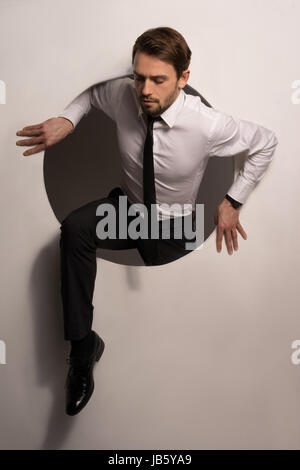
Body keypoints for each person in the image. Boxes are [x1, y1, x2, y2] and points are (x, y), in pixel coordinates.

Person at [15, 26, 278, 416]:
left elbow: (266, 141)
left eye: (159, 80)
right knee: (75, 228)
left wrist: (233, 199)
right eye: (139, 77)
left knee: (160, 298)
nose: (145, 90)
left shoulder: (207, 124)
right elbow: (90, 95)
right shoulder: (123, 93)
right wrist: (69, 120)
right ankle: (83, 348)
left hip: (176, 225)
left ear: (183, 79)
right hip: (130, 213)